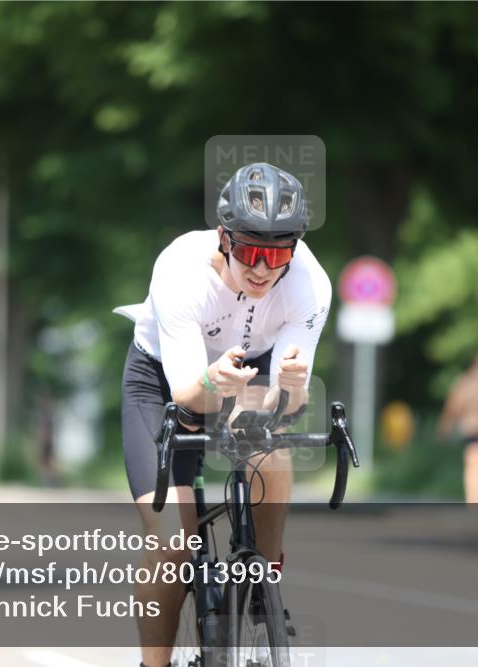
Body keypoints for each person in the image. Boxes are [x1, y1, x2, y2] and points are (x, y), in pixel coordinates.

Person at [114, 162, 331, 667]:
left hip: (247, 366)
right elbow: (190, 393)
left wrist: (292, 389)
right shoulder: (180, 270)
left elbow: (286, 401)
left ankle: (265, 571)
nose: (262, 268)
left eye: (277, 254)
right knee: (172, 548)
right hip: (164, 376)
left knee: (265, 438)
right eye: (251, 251)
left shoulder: (309, 283)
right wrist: (213, 383)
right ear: (223, 237)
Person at [437, 350, 478, 504]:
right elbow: (453, 407)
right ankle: (476, 501)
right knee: (476, 462)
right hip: (473, 429)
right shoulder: (466, 383)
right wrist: (445, 427)